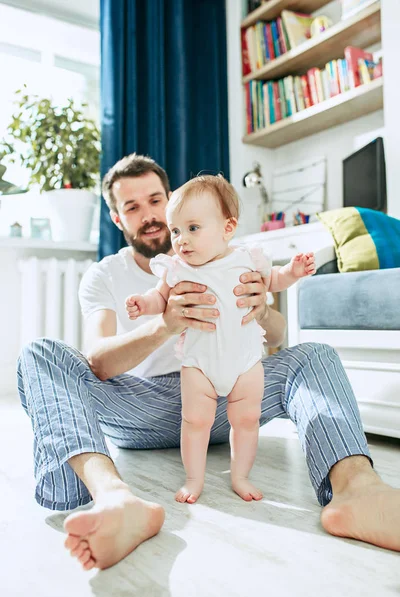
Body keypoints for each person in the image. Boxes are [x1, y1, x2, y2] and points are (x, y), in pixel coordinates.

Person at [17, 153, 400, 572]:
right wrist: (164, 324)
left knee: (316, 355)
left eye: (154, 200)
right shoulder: (105, 276)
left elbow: (277, 338)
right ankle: (115, 499)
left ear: (170, 199)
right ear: (115, 218)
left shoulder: (234, 256)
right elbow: (98, 362)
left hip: (227, 396)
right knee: (40, 353)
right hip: (139, 408)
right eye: (132, 207)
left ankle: (357, 491)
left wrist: (261, 309)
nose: (149, 216)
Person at [125, 174, 315, 504]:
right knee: (195, 421)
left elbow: (275, 281)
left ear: (228, 229)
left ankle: (240, 476)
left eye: (193, 228)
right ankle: (193, 479)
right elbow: (160, 299)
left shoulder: (249, 259)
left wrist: (293, 273)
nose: (181, 239)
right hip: (199, 366)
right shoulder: (177, 268)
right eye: (176, 231)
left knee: (246, 421)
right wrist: (144, 305)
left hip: (245, 365)